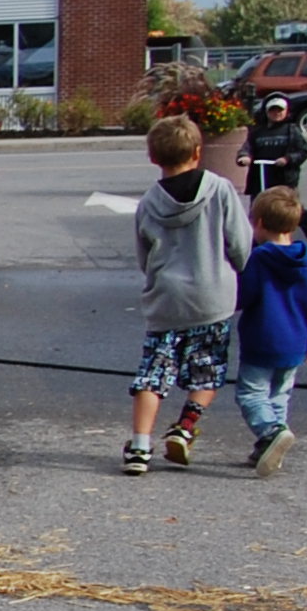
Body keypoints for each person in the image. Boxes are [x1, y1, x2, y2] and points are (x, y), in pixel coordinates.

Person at [122, 113, 254, 475]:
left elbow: (144, 256)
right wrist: (237, 269)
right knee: (207, 371)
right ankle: (185, 426)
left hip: (167, 299)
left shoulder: (149, 201)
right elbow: (240, 244)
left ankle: (139, 446)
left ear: (153, 157)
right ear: (198, 152)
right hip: (213, 296)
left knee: (153, 374)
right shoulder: (221, 190)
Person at [235, 185, 307, 475]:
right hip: (297, 341)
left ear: (260, 223)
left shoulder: (260, 259)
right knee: (279, 395)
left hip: (262, 338)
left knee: (251, 393)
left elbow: (244, 296)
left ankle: (271, 433)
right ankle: (269, 446)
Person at [242, 94, 307, 246]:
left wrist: (287, 159)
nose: (276, 113)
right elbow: (246, 148)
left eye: (280, 110)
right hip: (261, 178)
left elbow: (302, 152)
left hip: (284, 179)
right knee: (257, 211)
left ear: (286, 112)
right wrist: (245, 157)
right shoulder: (257, 132)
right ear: (266, 112)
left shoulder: (291, 130)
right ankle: (256, 243)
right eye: (273, 110)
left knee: (292, 210)